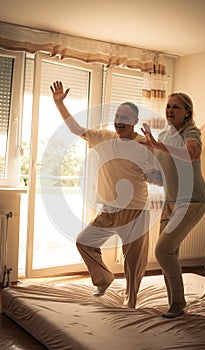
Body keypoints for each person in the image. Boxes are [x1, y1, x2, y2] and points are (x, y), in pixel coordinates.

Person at [50, 80, 156, 308]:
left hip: (136, 210)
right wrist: (59, 104)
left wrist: (153, 173)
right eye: (117, 116)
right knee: (84, 242)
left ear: (135, 122)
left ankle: (131, 302)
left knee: (133, 261)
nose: (120, 121)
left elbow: (160, 175)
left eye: (125, 117)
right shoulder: (104, 138)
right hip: (109, 209)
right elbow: (76, 129)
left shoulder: (145, 145)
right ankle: (104, 277)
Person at [141, 92, 205, 318]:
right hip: (170, 201)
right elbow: (166, 176)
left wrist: (158, 146)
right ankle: (174, 304)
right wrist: (151, 176)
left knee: (162, 251)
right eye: (168, 106)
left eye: (176, 107)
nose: (170, 110)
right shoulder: (164, 136)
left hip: (192, 200)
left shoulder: (190, 132)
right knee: (169, 254)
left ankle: (178, 303)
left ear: (187, 112)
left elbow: (191, 154)